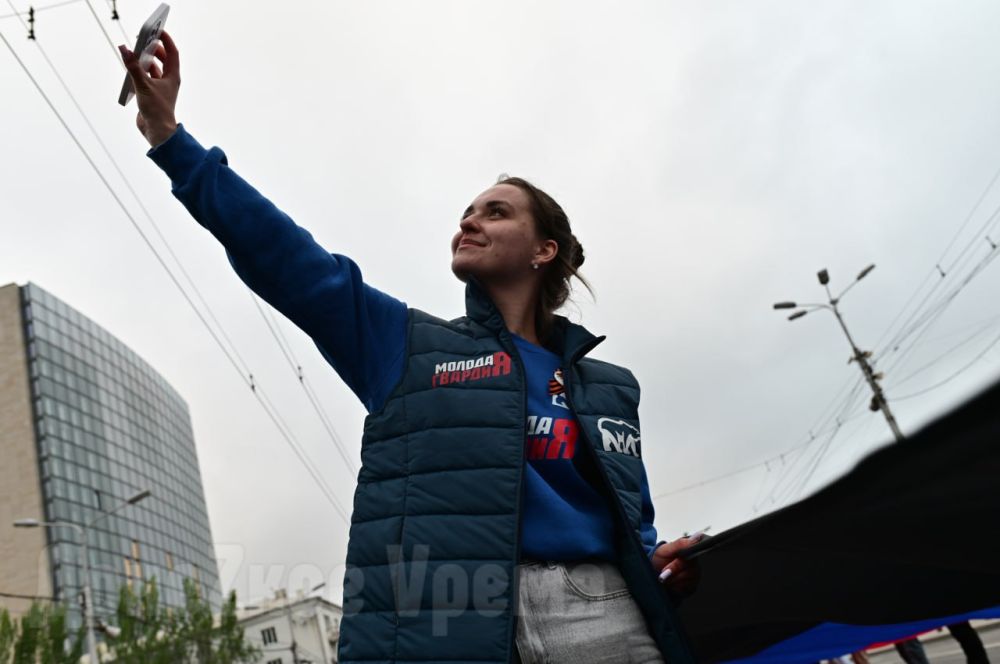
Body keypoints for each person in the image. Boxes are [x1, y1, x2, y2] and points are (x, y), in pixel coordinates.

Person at [119, 32, 701, 664]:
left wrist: (655, 556)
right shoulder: (405, 345)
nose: (470, 220)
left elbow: (629, 516)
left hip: (599, 614)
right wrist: (170, 139)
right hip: (449, 622)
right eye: (467, 212)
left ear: (544, 251)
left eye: (496, 212)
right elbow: (287, 259)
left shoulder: (611, 386)